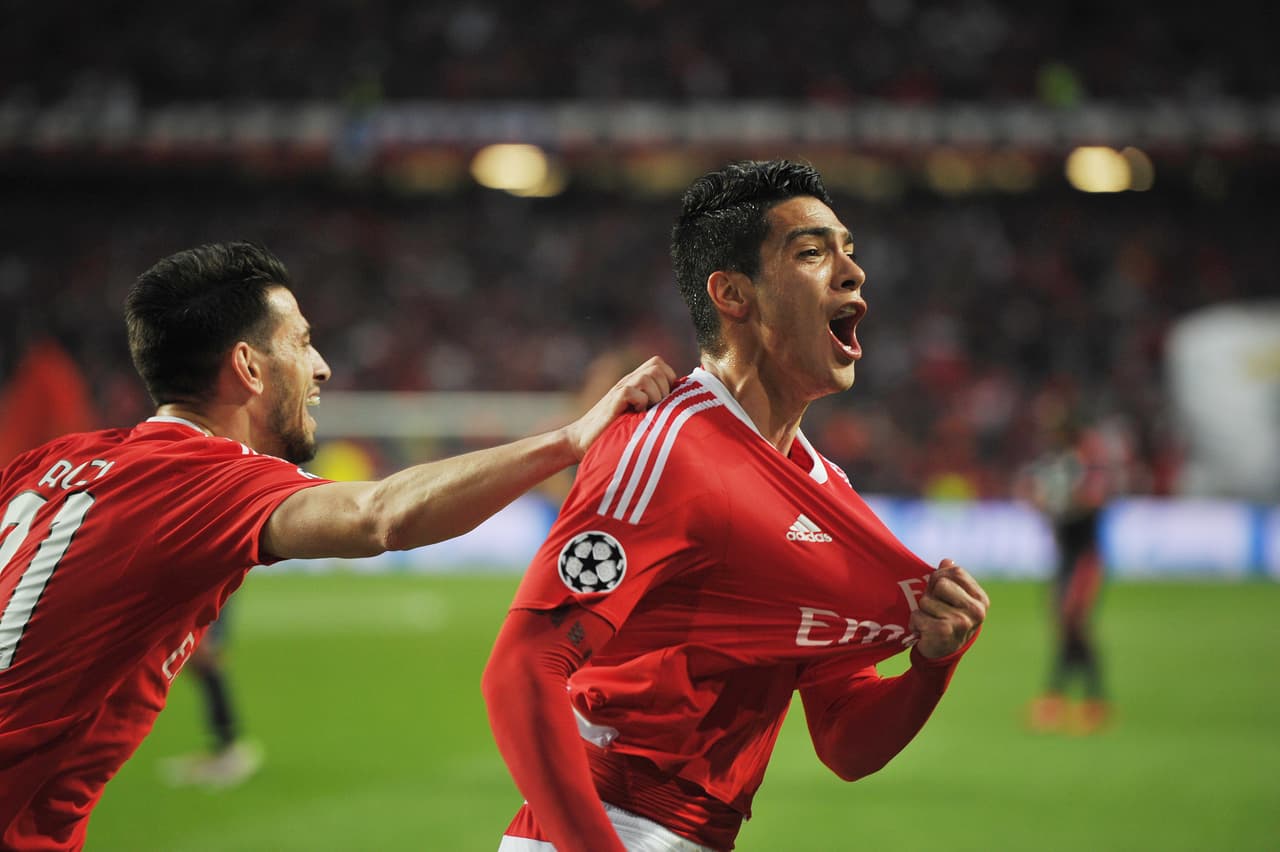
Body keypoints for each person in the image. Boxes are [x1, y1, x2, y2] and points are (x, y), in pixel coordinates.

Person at [0, 241, 676, 851]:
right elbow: (380, 515)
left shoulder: (49, 465)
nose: (320, 368)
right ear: (248, 367)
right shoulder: (201, 480)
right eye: (300, 342)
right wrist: (569, 439)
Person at [482, 160, 991, 852]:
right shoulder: (667, 451)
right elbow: (521, 669)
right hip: (607, 825)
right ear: (732, 294)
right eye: (812, 252)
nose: (851, 271)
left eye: (849, 249)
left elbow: (845, 741)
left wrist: (931, 666)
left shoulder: (826, 494)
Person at [1019, 416, 1118, 735]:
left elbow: (1093, 503)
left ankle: (1080, 698)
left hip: (1084, 558)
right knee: (1066, 626)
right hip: (1065, 558)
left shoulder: (1085, 467)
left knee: (1074, 624)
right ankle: (1073, 699)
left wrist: (1058, 504)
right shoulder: (1059, 466)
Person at [157, 602, 263, 789]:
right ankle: (227, 746)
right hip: (204, 586)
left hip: (211, 586)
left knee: (205, 658)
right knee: (202, 660)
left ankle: (229, 750)